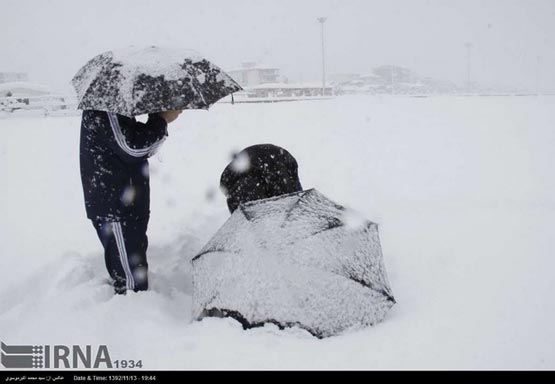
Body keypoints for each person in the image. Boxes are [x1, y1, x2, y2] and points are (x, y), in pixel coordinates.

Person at [79, 109, 181, 294]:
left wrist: (158, 119)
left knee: (132, 267)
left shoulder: (111, 107)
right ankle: (132, 318)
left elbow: (131, 142)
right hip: (116, 207)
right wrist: (160, 120)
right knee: (130, 283)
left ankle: (135, 311)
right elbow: (133, 148)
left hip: (124, 204)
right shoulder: (105, 108)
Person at [220, 144, 303, 213]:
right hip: (280, 158)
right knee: (293, 204)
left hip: (240, 171)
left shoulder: (237, 193)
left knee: (288, 204)